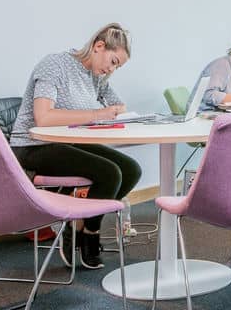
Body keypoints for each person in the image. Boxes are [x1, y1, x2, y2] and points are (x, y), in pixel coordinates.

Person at [10, 23, 142, 269]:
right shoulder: (55, 64)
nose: (111, 69)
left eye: (117, 67)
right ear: (98, 46)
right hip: (32, 145)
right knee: (109, 173)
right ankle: (87, 234)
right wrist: (95, 113)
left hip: (66, 144)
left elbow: (118, 105)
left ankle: (80, 226)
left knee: (131, 169)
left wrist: (113, 110)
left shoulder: (96, 75)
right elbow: (44, 117)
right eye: (113, 61)